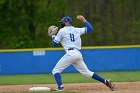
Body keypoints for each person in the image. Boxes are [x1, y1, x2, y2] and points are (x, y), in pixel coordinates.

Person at [51, 15, 115, 91]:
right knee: (87, 73)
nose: (62, 23)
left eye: (63, 22)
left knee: (55, 70)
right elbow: (90, 29)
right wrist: (84, 20)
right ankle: (106, 82)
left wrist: (53, 35)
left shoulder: (62, 31)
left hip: (71, 53)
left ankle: (60, 87)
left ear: (67, 22)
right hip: (78, 54)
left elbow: (54, 44)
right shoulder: (77, 30)